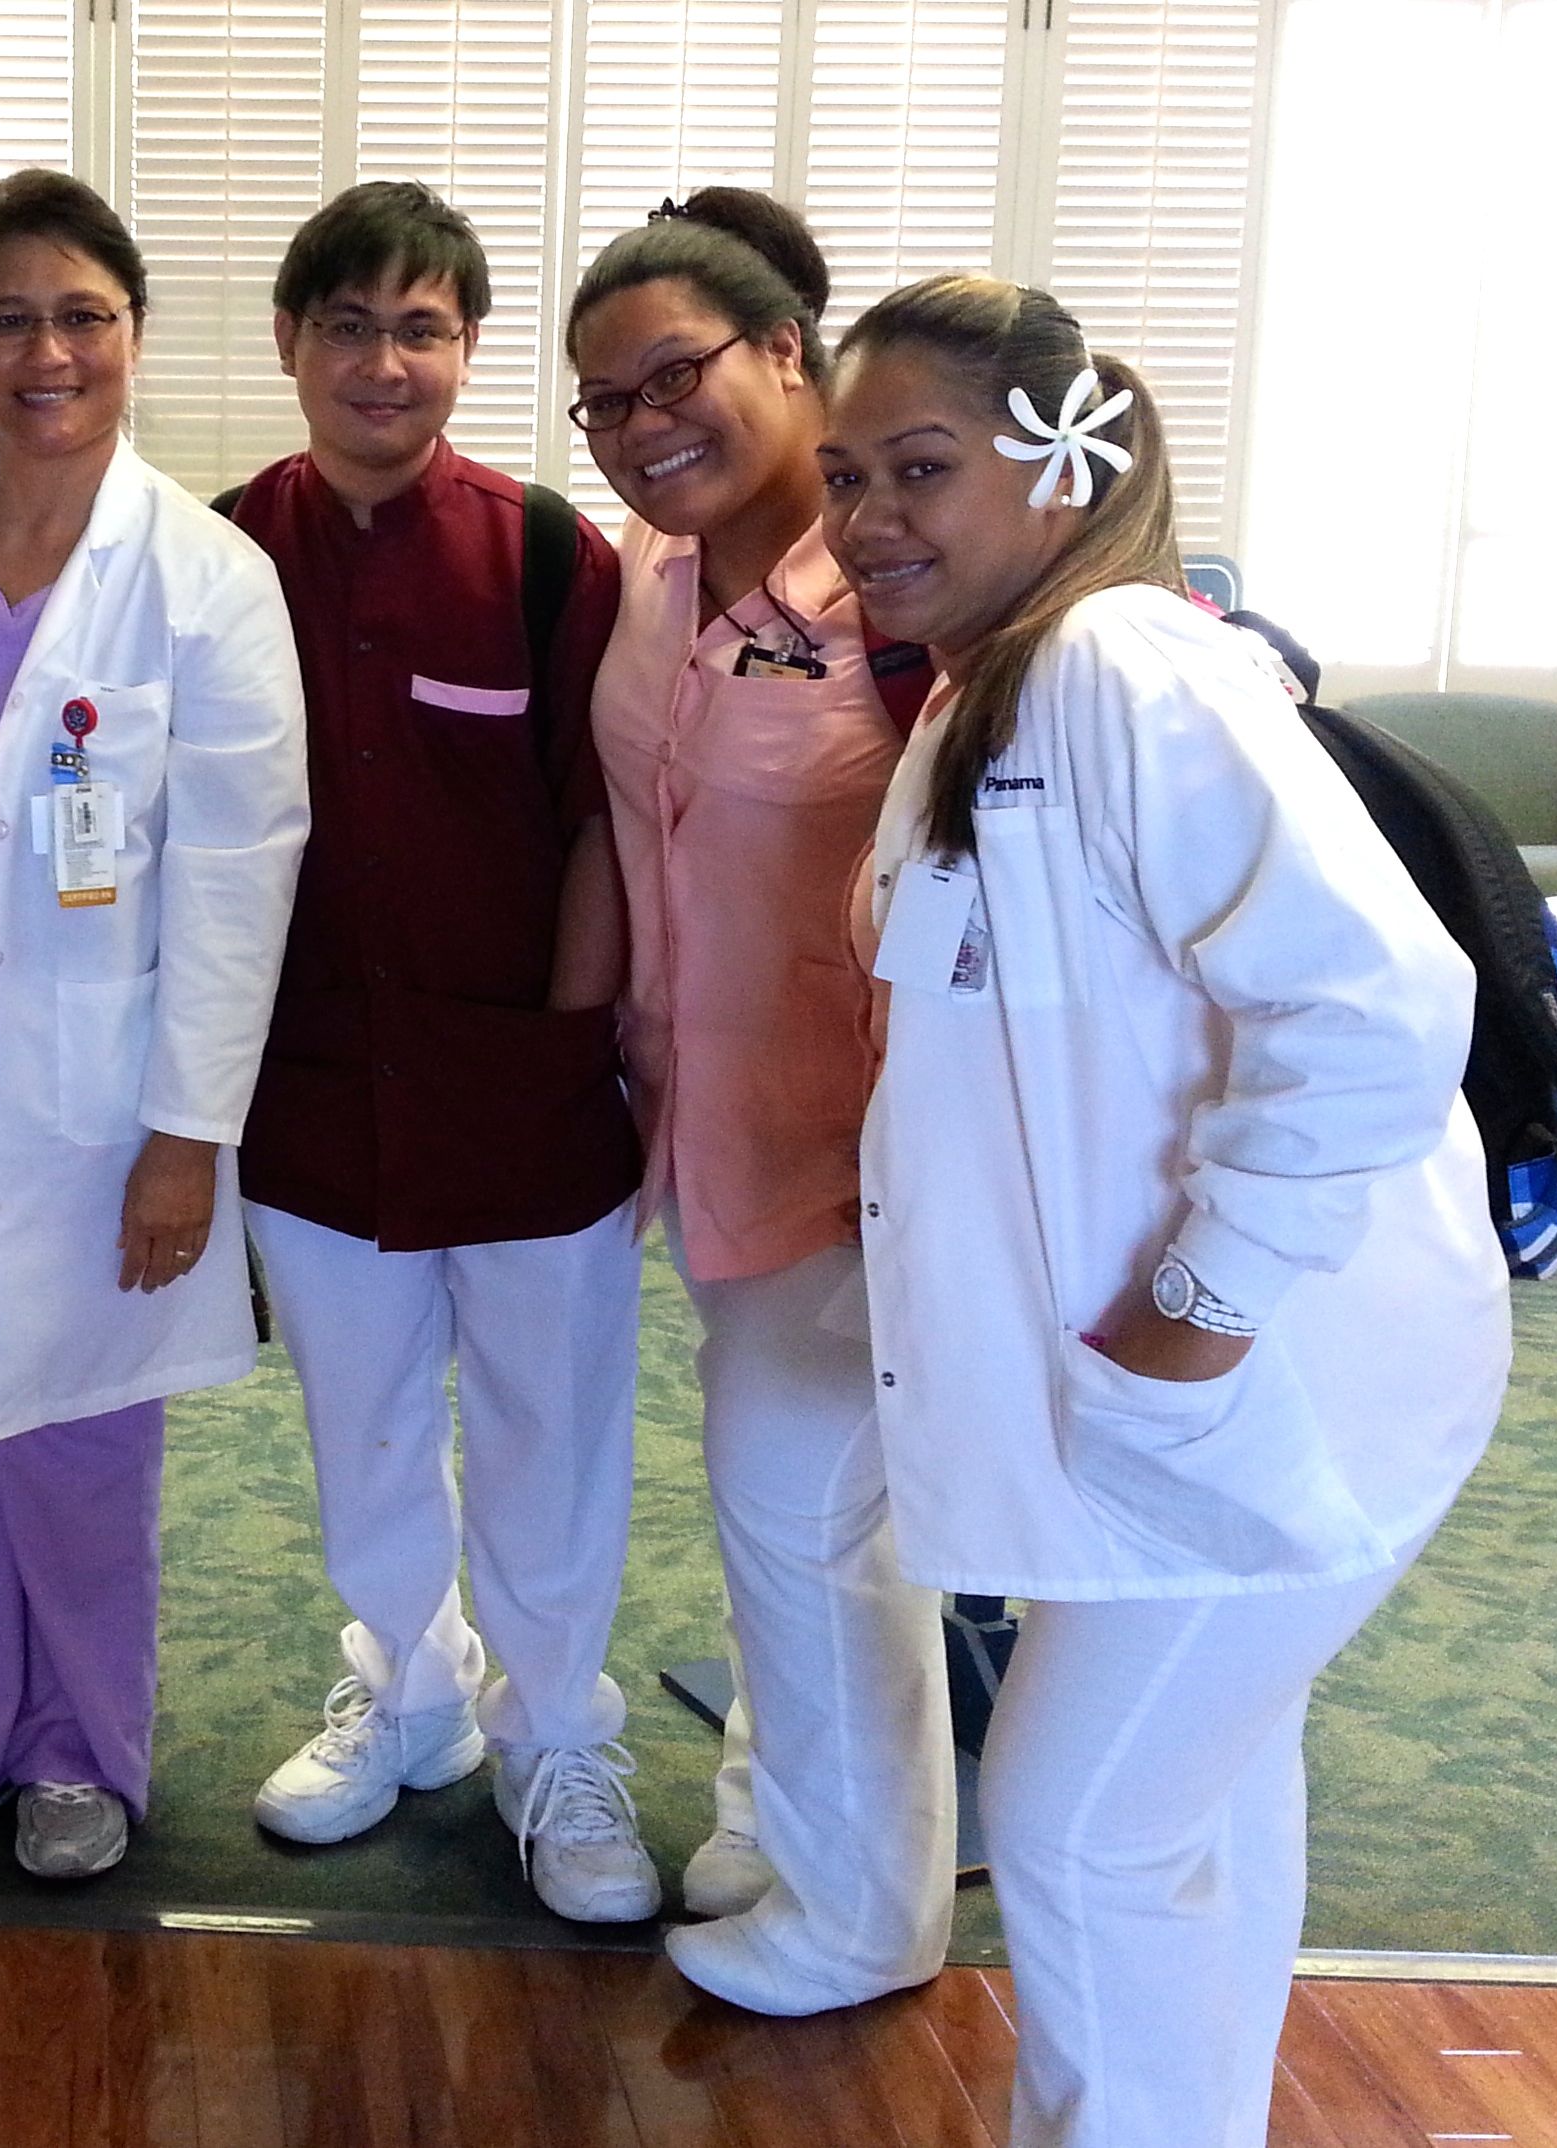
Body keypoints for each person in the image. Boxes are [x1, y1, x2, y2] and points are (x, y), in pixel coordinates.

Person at [820, 274, 1507, 2143]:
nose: (864, 515)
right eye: (843, 473)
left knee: (1076, 1823)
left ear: (1058, 470)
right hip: (1174, 1396)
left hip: (1267, 1375)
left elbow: (1373, 1004)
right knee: (1186, 1813)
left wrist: (1195, 1304)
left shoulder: (1126, 667)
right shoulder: (995, 693)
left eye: (918, 467)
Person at [0, 168, 308, 1889]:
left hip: (105, 1109)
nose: (46, 350)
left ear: (131, 335)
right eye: (7, 319)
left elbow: (245, 873)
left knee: (82, 1457)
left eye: (80, 316)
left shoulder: (206, 576)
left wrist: (189, 1135)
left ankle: (76, 1752)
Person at [218, 182, 653, 1922]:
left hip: (523, 1090)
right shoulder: (218, 552)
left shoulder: (555, 555)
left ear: (466, 350)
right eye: (347, 325)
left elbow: (601, 827)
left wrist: (564, 1049)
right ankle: (405, 1690)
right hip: (311, 1088)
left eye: (420, 328)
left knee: (554, 1431)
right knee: (364, 1427)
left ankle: (554, 1732)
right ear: (289, 344)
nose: (382, 363)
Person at [564, 191, 954, 1993]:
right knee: (790, 1509)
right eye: (604, 403)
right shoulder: (648, 586)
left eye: (676, 376)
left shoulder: (905, 596)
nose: (646, 425)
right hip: (703, 1126)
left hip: (873, 1150)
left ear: (788, 355)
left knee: (808, 1514)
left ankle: (866, 1920)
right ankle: (777, 1805)